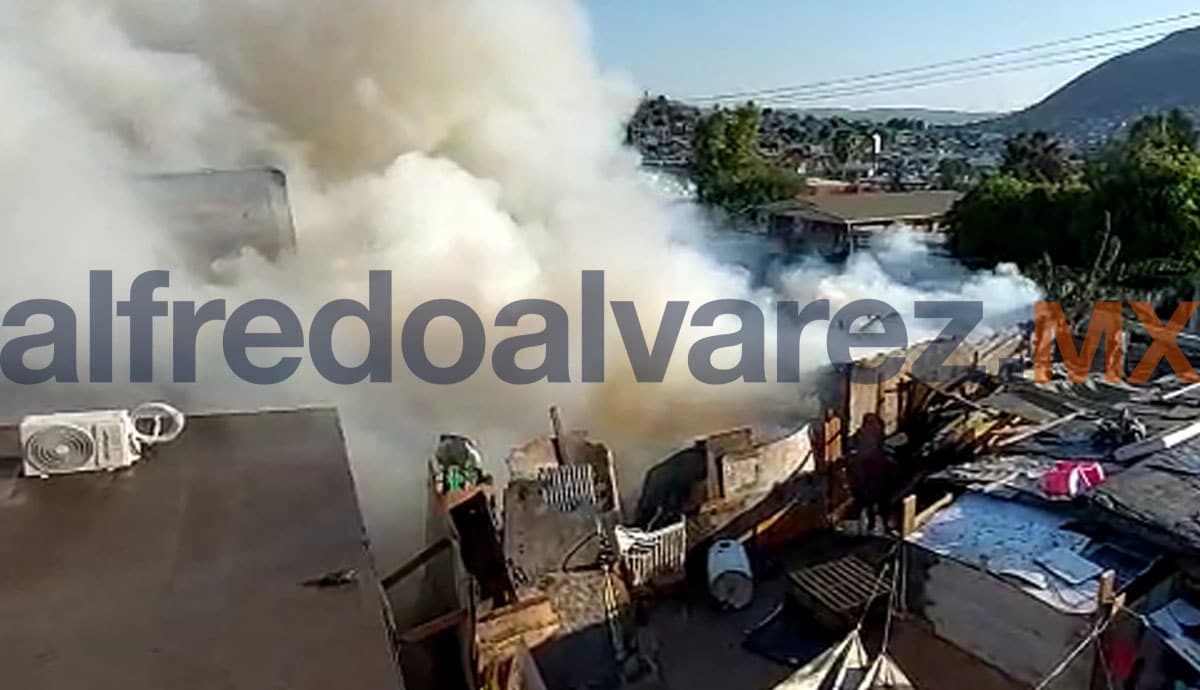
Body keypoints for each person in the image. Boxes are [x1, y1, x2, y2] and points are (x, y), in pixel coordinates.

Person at [847, 413, 894, 534]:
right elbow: (851, 447)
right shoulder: (863, 435)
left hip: (875, 471)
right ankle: (872, 525)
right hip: (868, 472)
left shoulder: (869, 434)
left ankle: (880, 524)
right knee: (870, 501)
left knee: (877, 500)